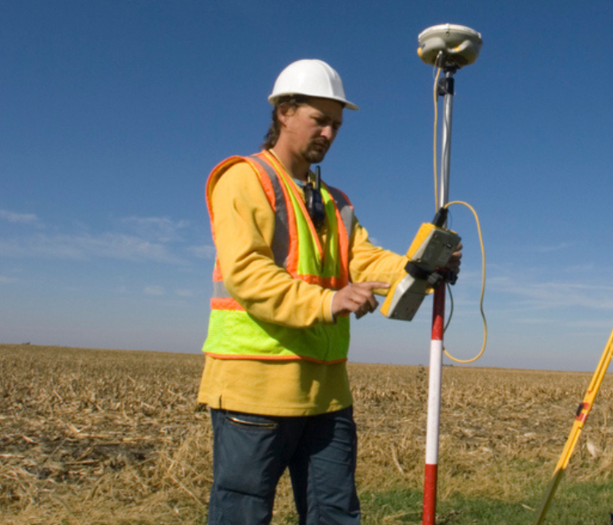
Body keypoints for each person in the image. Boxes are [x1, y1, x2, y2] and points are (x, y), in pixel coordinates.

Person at [197, 59, 460, 525]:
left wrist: (418, 266)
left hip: (326, 392)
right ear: (284, 111)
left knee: (335, 514)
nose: (329, 134)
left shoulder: (335, 200)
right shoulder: (245, 179)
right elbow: (246, 272)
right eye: (319, 120)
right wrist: (329, 301)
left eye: (336, 124)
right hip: (254, 390)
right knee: (242, 514)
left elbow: (363, 257)